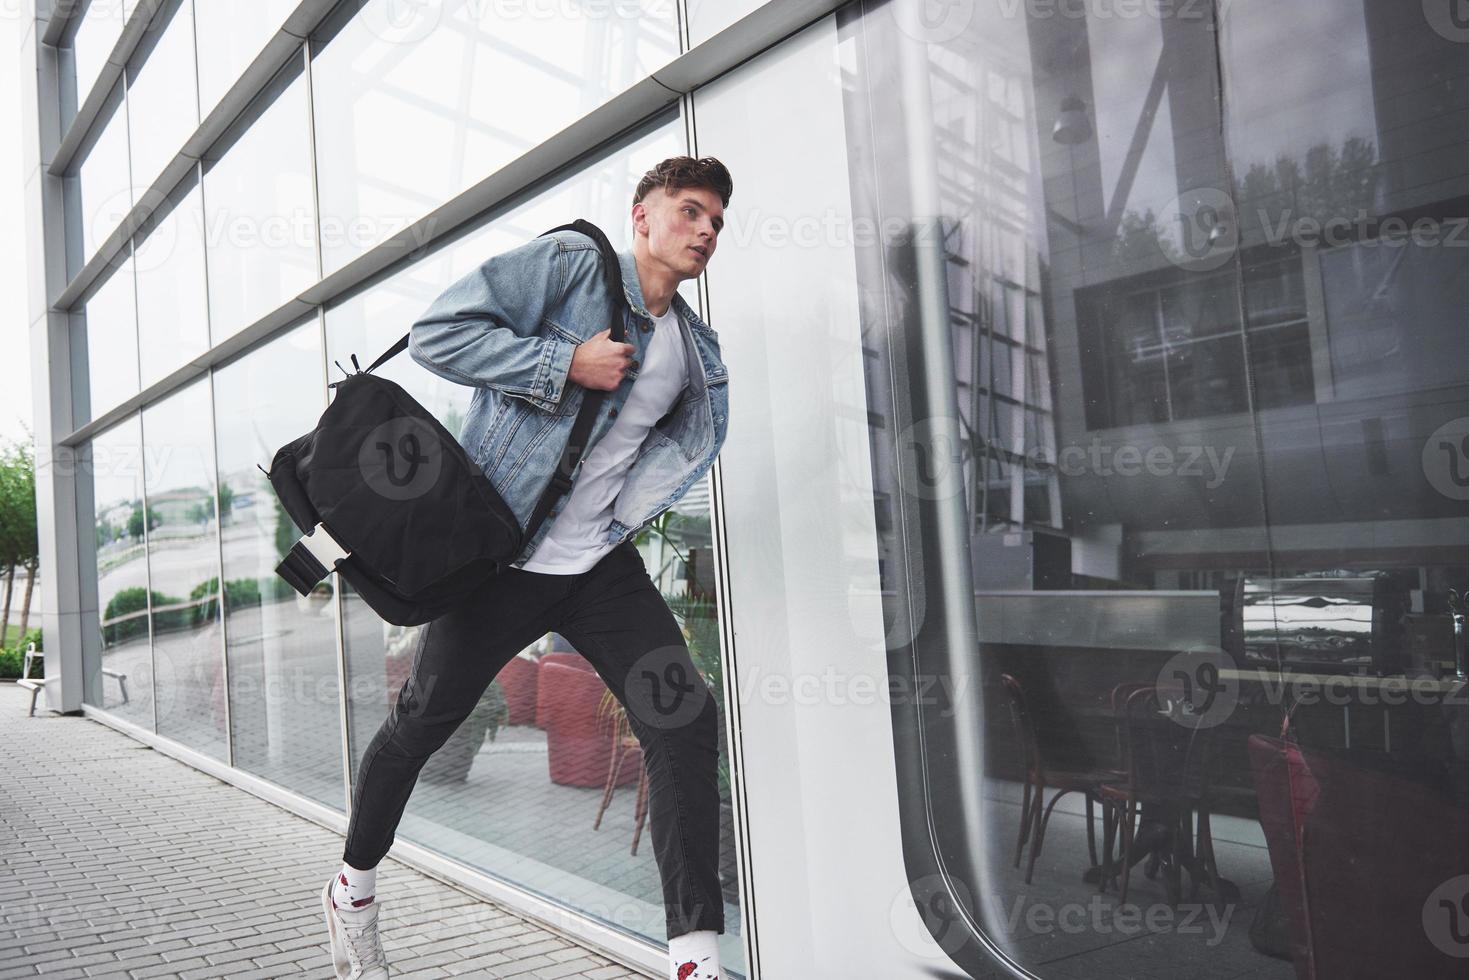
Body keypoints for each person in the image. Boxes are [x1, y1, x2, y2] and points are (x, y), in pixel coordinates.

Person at [319, 156, 734, 980]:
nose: (704, 232)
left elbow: (657, 453)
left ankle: (693, 956)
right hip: (500, 560)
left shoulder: (698, 349)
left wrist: (619, 515)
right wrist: (561, 366)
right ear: (641, 215)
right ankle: (353, 890)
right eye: (689, 212)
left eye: (717, 223)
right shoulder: (573, 265)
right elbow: (440, 334)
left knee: (680, 718)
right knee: (422, 725)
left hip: (599, 568)